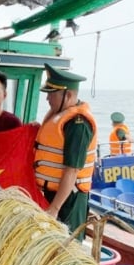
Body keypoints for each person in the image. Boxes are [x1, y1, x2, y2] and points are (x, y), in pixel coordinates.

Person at [34, 63, 97, 241]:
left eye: (51, 94)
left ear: (68, 95)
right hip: (52, 194)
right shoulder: (58, 116)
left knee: (66, 246)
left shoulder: (78, 124)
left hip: (69, 200)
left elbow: (73, 170)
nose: (47, 99)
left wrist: (54, 209)